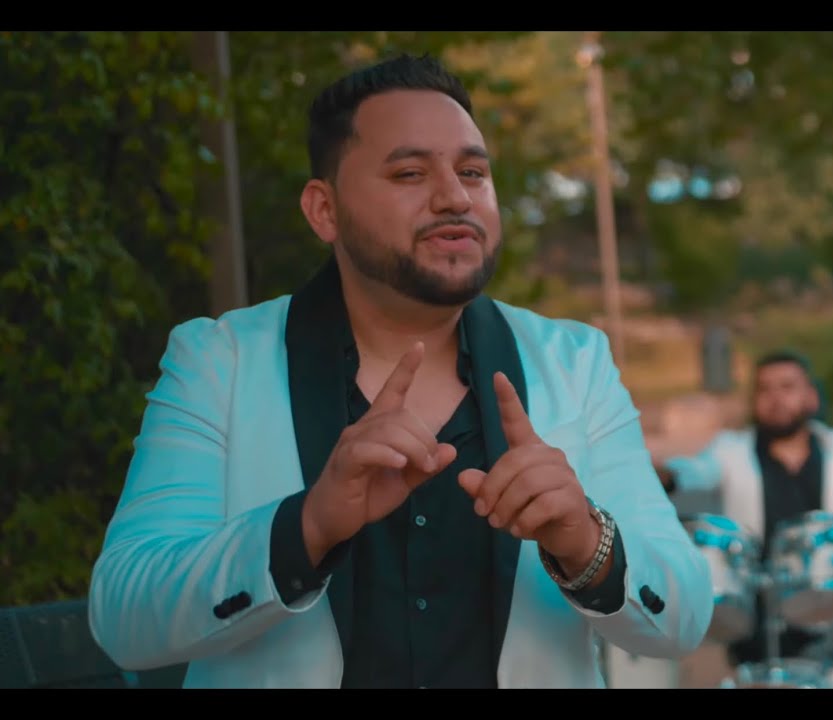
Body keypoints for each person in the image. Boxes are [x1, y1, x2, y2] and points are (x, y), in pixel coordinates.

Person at [86, 51, 713, 689]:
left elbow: (685, 615)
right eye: (410, 173)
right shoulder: (220, 362)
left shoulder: (575, 362)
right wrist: (307, 528)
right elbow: (122, 617)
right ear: (324, 210)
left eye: (473, 172)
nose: (455, 197)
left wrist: (586, 543)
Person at [656, 350, 833, 671]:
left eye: (787, 387)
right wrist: (666, 475)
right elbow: (696, 470)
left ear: (811, 397)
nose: (775, 399)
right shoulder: (731, 450)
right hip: (759, 615)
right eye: (764, 389)